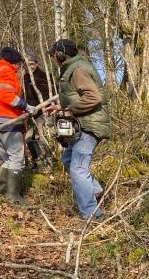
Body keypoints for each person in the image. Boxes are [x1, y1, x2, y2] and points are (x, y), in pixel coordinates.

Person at [45, 39, 110, 220]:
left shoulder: (78, 70)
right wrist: (60, 107)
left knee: (78, 170)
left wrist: (69, 110)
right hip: (84, 124)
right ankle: (95, 190)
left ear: (61, 55)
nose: (53, 59)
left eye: (54, 55)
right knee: (67, 158)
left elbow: (93, 97)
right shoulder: (74, 68)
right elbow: (78, 96)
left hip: (90, 126)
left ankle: (92, 215)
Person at [0, 47, 38, 203]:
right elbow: (6, 95)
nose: (18, 68)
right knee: (17, 157)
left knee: (8, 158)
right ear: (13, 63)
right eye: (18, 64)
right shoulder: (7, 71)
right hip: (7, 120)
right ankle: (13, 196)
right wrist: (25, 106)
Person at [23, 48, 53, 168]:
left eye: (32, 63)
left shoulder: (44, 76)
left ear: (37, 63)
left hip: (43, 112)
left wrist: (46, 108)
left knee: (43, 138)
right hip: (29, 114)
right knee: (29, 138)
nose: (30, 66)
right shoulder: (23, 78)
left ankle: (48, 162)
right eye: (27, 64)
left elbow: (49, 94)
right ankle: (38, 161)